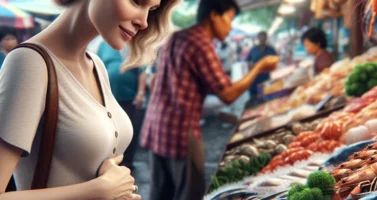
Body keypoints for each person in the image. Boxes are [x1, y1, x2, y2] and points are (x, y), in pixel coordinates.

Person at [0, 0, 179, 199]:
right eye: (137, 1)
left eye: (152, 10)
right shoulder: (29, 63)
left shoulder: (96, 65)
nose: (144, 22)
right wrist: (99, 190)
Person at [140, 0, 279, 199]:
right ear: (214, 15)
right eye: (229, 20)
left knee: (161, 193)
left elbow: (163, 83)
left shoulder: (177, 37)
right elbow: (228, 94)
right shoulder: (200, 43)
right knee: (190, 193)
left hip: (157, 127)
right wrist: (260, 66)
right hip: (180, 132)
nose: (230, 27)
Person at [97, 41, 147, 170]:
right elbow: (97, 67)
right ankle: (110, 163)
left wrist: (140, 93)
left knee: (130, 130)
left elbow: (142, 71)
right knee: (111, 131)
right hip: (109, 98)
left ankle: (127, 162)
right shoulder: (104, 45)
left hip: (130, 98)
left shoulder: (135, 45)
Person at [246, 31, 278, 98]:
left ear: (266, 38)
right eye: (260, 37)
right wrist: (250, 70)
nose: (262, 39)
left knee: (267, 95)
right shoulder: (253, 49)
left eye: (264, 37)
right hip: (256, 78)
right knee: (256, 97)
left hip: (267, 77)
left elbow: (276, 60)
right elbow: (248, 61)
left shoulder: (270, 49)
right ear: (258, 38)